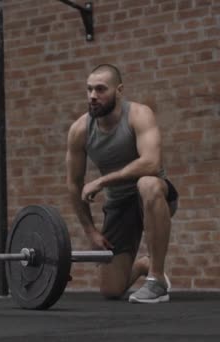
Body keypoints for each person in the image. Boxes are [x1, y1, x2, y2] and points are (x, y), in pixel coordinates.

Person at [65, 64, 178, 304]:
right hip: (119, 206)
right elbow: (74, 185)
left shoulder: (139, 114)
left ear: (119, 90)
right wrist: (91, 231)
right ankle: (145, 265)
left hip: (155, 197)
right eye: (89, 90)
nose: (93, 96)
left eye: (100, 89)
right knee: (111, 290)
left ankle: (156, 279)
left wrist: (103, 180)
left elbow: (152, 163)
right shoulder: (80, 131)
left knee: (147, 184)